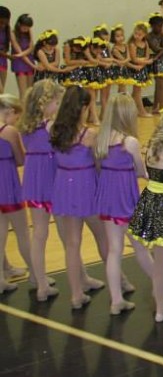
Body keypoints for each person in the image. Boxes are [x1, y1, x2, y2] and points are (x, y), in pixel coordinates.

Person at [128, 108, 163, 322]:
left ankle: (161, 307)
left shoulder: (152, 145)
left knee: (161, 262)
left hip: (153, 201)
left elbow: (147, 173)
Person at [50, 86, 103, 308]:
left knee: (71, 244)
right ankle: (118, 287)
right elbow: (99, 164)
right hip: (85, 186)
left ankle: (76, 295)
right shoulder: (89, 134)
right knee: (104, 239)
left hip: (63, 185)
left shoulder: (54, 129)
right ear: (82, 107)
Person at [94, 94, 147, 315]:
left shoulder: (101, 139)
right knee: (140, 247)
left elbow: (98, 168)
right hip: (126, 199)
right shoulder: (130, 142)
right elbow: (142, 171)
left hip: (107, 198)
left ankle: (116, 300)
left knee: (114, 250)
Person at [19, 80, 66, 301]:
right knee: (64, 231)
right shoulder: (50, 126)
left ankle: (40, 282)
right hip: (51, 176)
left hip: (33, 178)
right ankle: (46, 282)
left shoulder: (25, 126)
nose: (58, 106)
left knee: (39, 233)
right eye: (56, 102)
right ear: (44, 103)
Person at [0, 94, 27, 294]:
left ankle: (6, 269)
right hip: (7, 183)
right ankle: (37, 275)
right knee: (22, 232)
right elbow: (20, 159)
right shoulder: (8, 130)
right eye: (16, 117)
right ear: (9, 112)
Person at [127, 22, 155, 116]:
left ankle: (130, 110)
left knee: (136, 92)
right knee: (137, 92)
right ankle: (142, 111)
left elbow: (147, 56)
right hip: (134, 69)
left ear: (144, 35)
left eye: (140, 34)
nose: (137, 36)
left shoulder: (145, 43)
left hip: (141, 68)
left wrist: (143, 63)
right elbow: (134, 59)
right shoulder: (132, 44)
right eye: (136, 34)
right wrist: (146, 62)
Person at [10, 14, 36, 99]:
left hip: (29, 59)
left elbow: (31, 47)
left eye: (28, 27)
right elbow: (17, 49)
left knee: (30, 90)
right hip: (19, 63)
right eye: (24, 27)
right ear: (19, 24)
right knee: (23, 92)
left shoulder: (29, 31)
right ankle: (22, 110)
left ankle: (28, 110)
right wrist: (20, 55)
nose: (26, 29)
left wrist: (20, 55)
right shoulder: (13, 33)